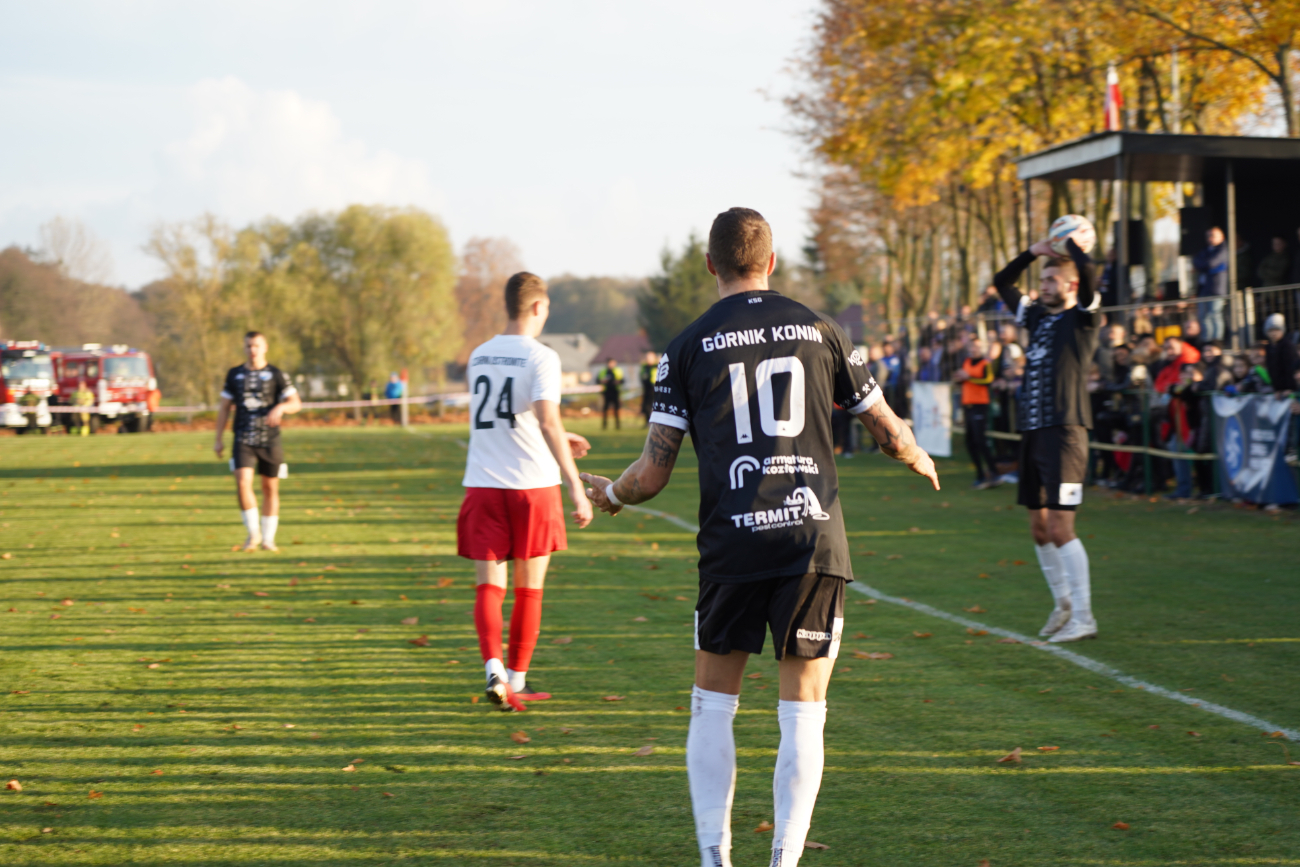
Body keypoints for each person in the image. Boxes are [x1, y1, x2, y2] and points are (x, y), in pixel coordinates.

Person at [578, 208, 939, 867]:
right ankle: (784, 859)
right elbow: (887, 430)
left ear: (711, 265)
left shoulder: (686, 347)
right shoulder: (821, 328)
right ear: (772, 262)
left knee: (712, 705)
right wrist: (915, 453)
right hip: (811, 538)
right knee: (803, 711)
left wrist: (610, 493)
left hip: (733, 543)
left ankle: (716, 858)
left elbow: (653, 472)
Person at [458, 272, 593, 712]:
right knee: (529, 589)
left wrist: (559, 432)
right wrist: (575, 485)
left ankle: (493, 668)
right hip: (532, 487)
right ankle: (515, 680)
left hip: (483, 484)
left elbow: (507, 417)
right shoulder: (543, 356)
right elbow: (546, 420)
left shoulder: (478, 356)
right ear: (538, 307)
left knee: (489, 588)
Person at [993, 229, 1102, 643]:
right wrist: (1031, 253)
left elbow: (1089, 268)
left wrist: (1071, 243)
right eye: (1041, 281)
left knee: (1061, 527)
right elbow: (1002, 282)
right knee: (1039, 528)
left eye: (1050, 280)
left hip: (1066, 433)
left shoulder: (1084, 318)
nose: (1042, 287)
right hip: (1034, 433)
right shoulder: (1036, 317)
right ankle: (1064, 606)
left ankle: (1085, 616)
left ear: (1071, 285)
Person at [214, 331, 303, 552]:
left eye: (256, 346)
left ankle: (268, 539)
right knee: (243, 482)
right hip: (243, 437)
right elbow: (224, 407)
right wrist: (218, 439)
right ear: (244, 348)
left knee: (269, 487)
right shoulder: (234, 374)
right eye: (248, 346)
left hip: (270, 439)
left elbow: (296, 403)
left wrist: (281, 407)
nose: (252, 350)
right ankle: (253, 534)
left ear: (265, 347)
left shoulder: (276, 374)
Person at [954, 337, 997, 488]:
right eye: (972, 347)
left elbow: (988, 381)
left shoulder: (986, 363)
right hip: (968, 405)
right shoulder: (966, 362)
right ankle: (980, 473)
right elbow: (963, 381)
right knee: (970, 442)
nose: (974, 349)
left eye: (977, 347)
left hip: (980, 405)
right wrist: (959, 378)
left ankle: (993, 471)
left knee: (980, 441)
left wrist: (969, 377)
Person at [1192, 227, 1229, 343]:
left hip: (1216, 289)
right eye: (1208, 236)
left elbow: (1211, 263)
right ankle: (1206, 341)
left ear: (1221, 237)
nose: (1210, 238)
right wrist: (1206, 266)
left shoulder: (1223, 250)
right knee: (1203, 317)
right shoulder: (1206, 250)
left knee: (1215, 315)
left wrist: (1203, 267)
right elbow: (1196, 261)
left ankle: (1216, 342)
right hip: (1204, 289)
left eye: (1213, 235)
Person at [1263, 313, 1298, 397]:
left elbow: (1290, 368)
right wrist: (1277, 389)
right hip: (1278, 389)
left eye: (1277, 330)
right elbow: (1271, 369)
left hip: (1290, 388)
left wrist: (1290, 388)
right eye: (1271, 330)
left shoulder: (1288, 346)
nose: (1274, 333)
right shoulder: (1268, 347)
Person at [599, 358, 623, 429]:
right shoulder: (603, 371)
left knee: (616, 409)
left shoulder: (618, 371)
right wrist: (602, 381)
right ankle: (604, 425)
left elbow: (622, 380)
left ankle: (617, 425)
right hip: (606, 392)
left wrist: (618, 382)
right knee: (605, 409)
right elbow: (598, 380)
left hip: (615, 392)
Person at [639, 350, 658, 426]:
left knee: (654, 406)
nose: (648, 359)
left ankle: (655, 422)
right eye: (647, 357)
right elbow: (641, 376)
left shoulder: (657, 366)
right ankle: (647, 421)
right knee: (646, 406)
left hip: (655, 388)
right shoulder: (644, 367)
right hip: (646, 388)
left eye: (650, 357)